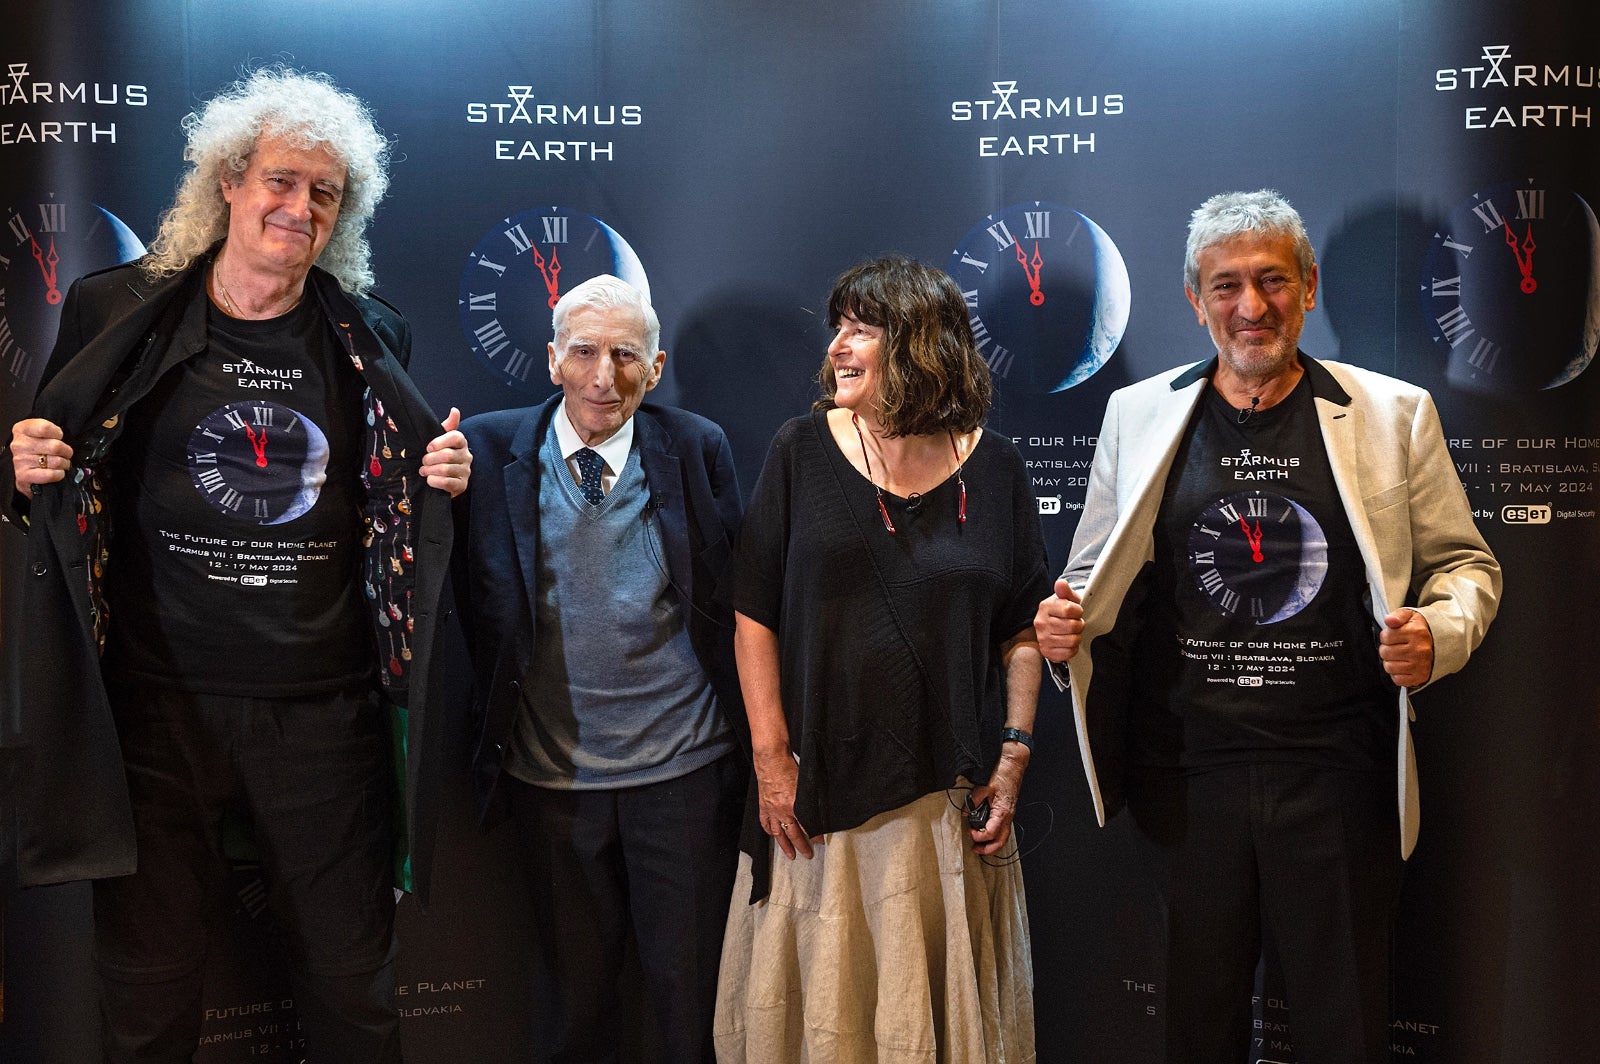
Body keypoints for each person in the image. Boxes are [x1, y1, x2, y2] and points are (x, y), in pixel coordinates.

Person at [3, 67, 472, 1063]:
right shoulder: (115, 309)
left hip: (322, 711)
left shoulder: (367, 332)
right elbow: (52, 463)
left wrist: (442, 475)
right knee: (147, 986)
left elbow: (395, 492)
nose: (299, 207)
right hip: (151, 712)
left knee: (353, 983)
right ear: (229, 181)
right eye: (281, 180)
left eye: (324, 193)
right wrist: (23, 463)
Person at [1034, 189, 1502, 1063]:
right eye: (1226, 286)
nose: (1251, 307)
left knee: (1342, 1027)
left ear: (1310, 287)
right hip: (1186, 777)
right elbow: (1086, 582)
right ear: (1192, 297)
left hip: (1338, 776)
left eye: (1273, 281)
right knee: (1195, 1027)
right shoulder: (1136, 416)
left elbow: (1468, 567)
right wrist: (1063, 631)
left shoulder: (1395, 416)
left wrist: (1437, 637)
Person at [714, 255, 1047, 1062]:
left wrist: (1014, 758)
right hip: (818, 803)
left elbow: (1024, 629)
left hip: (945, 806)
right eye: (838, 328)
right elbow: (752, 614)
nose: (838, 346)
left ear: (921, 346)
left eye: (862, 329)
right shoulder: (798, 450)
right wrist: (769, 757)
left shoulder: (995, 466)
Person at [453, 274, 747, 1063]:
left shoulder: (695, 446)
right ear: (551, 360)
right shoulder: (483, 449)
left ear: (655, 370)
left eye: (625, 356)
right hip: (552, 781)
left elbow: (742, 604)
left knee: (689, 1003)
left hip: (684, 774)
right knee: (573, 1007)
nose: (601, 377)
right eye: (583, 352)